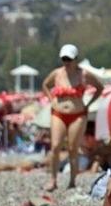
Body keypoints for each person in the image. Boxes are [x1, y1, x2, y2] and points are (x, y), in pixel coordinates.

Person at [41, 44, 103, 191]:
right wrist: (51, 99)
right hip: (58, 112)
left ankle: (72, 181)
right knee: (55, 146)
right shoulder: (57, 74)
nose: (66, 62)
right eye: (64, 59)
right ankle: (53, 180)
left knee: (72, 148)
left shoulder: (84, 75)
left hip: (78, 114)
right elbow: (45, 84)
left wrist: (89, 104)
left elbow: (100, 88)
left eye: (69, 59)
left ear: (76, 59)